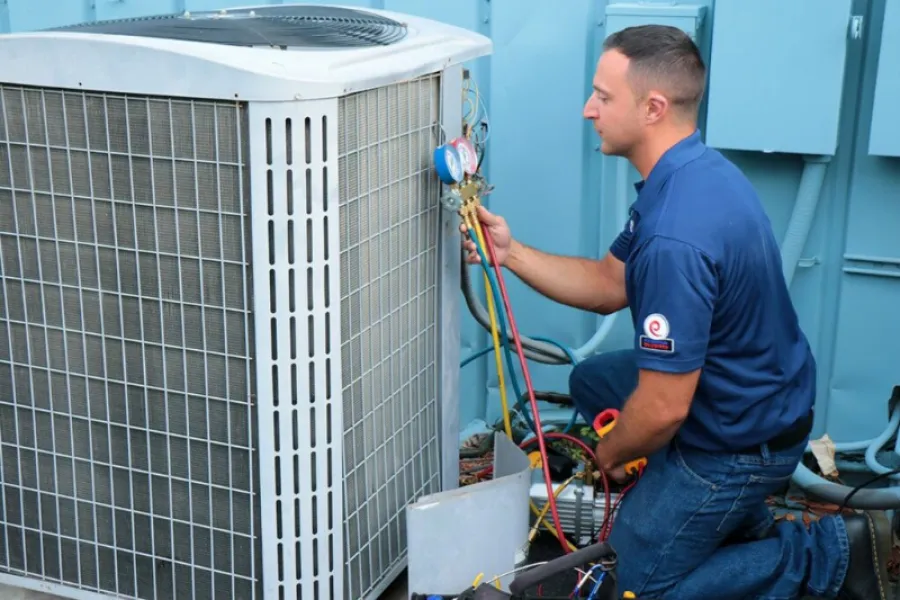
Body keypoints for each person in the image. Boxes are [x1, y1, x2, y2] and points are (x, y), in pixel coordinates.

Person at [461, 24, 892, 600]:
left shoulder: (675, 236)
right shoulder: (692, 173)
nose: (589, 109)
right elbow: (609, 282)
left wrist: (609, 457)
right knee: (593, 381)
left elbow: (663, 409)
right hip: (747, 396)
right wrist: (510, 253)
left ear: (653, 108)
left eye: (603, 96)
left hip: (739, 441)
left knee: (637, 585)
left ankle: (832, 555)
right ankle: (731, 524)